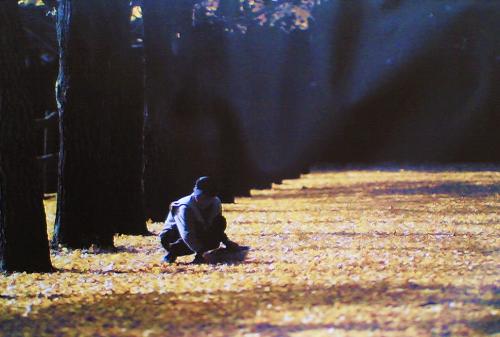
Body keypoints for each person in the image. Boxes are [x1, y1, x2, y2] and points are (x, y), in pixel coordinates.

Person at [159, 176, 243, 264]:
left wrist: (227, 242)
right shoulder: (185, 206)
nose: (200, 198)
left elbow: (216, 227)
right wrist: (202, 252)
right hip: (173, 237)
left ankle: (198, 257)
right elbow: (186, 233)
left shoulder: (216, 203)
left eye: (204, 196)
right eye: (199, 195)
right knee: (188, 238)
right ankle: (172, 253)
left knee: (219, 223)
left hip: (197, 232)